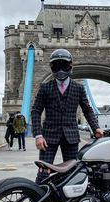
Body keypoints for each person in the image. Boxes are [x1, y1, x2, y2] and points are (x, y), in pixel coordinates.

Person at [32, 48, 104, 184]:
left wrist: (96, 128)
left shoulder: (79, 88)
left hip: (71, 137)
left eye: (63, 65)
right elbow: (36, 111)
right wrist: (38, 135)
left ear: (70, 66)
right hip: (48, 138)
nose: (60, 69)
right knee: (43, 173)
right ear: (52, 67)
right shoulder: (45, 87)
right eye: (56, 65)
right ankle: (37, 199)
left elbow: (87, 110)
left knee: (72, 173)